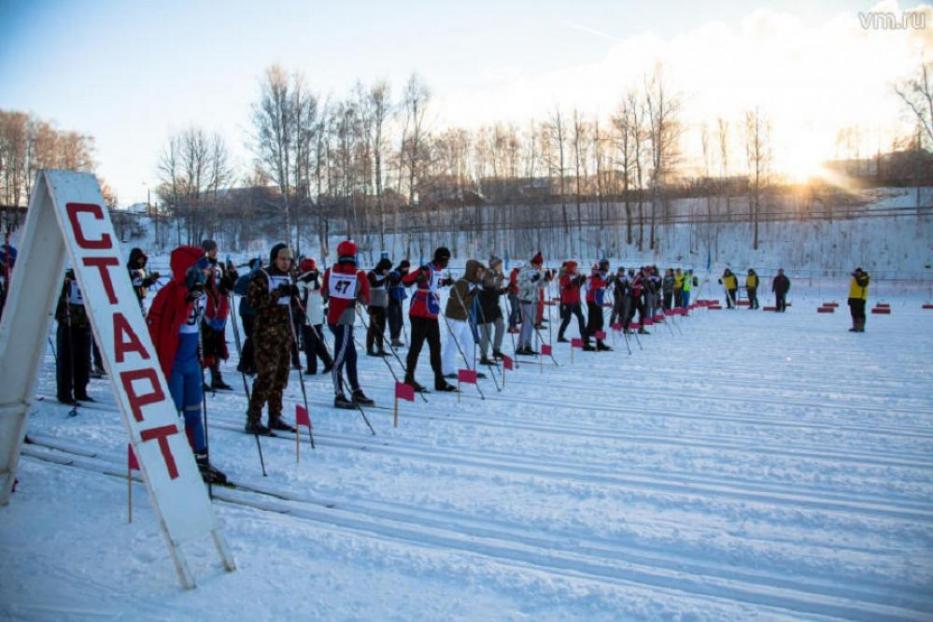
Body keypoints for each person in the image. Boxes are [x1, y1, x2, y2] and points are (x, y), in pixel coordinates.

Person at [146, 245, 226, 484]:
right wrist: (186, 296)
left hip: (192, 362)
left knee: (194, 412)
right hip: (173, 364)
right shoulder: (168, 293)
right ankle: (166, 460)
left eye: (205, 268)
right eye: (199, 268)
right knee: (173, 413)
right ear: (185, 270)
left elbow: (216, 322)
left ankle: (199, 458)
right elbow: (157, 329)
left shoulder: (202, 291)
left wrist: (222, 295)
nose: (205, 273)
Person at [244, 243, 299, 435]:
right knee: (266, 376)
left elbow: (289, 305)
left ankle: (275, 416)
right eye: (282, 259)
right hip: (266, 335)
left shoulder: (289, 276)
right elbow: (254, 302)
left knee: (281, 377)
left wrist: (295, 296)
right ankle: (253, 418)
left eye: (288, 259)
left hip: (284, 334)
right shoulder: (262, 275)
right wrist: (277, 294)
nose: (286, 263)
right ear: (274, 258)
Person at [323, 240, 374, 408]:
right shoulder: (359, 274)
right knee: (340, 359)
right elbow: (366, 299)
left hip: (332, 318)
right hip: (345, 320)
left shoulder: (330, 271)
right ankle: (339, 395)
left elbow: (324, 293)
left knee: (351, 355)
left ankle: (356, 390)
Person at [401, 247, 456, 393]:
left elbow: (434, 283)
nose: (447, 263)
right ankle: (409, 379)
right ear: (442, 259)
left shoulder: (437, 269)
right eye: (447, 260)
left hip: (431, 313)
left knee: (436, 347)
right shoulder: (426, 268)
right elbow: (406, 281)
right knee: (416, 347)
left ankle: (439, 381)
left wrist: (445, 282)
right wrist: (418, 278)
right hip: (419, 313)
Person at [442, 259, 486, 378]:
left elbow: (466, 302)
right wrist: (471, 296)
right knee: (453, 342)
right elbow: (457, 302)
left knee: (470, 342)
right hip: (454, 317)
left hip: (463, 317)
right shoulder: (462, 283)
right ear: (472, 271)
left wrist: (472, 294)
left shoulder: (471, 283)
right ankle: (447, 369)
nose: (480, 275)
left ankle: (471, 369)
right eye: (479, 272)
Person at [55, 270, 92, 404]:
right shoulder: (67, 282)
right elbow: (55, 302)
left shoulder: (90, 281)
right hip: (68, 326)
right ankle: (64, 393)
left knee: (83, 361)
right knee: (67, 361)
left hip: (84, 325)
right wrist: (62, 317)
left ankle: (80, 391)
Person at [296, 258, 333, 375]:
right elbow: (326, 296)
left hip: (307, 316)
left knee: (309, 344)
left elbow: (299, 300)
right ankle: (328, 362)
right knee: (317, 341)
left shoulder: (301, 282)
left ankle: (312, 368)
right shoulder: (320, 279)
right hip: (319, 314)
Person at [516, 252, 548, 355]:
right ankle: (520, 346)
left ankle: (528, 345)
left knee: (531, 324)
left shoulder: (536, 271)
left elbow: (539, 286)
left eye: (541, 265)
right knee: (526, 324)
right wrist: (534, 280)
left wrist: (546, 279)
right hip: (526, 299)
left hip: (534, 300)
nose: (540, 266)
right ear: (535, 263)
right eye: (539, 264)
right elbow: (521, 285)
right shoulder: (525, 270)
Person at [234, 258, 261, 375]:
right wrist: (249, 291)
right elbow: (237, 290)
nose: (258, 267)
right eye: (256, 265)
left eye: (259, 265)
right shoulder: (246, 278)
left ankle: (249, 363)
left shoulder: (262, 278)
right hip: (247, 312)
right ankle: (246, 364)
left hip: (257, 311)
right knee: (252, 337)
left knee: (255, 338)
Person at [478, 255, 507, 364]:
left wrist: (504, 288)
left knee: (500, 325)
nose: (501, 266)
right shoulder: (487, 273)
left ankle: (496, 350)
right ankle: (483, 356)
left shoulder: (496, 274)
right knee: (487, 331)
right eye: (499, 264)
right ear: (494, 265)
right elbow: (489, 287)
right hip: (485, 305)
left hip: (494, 306)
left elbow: (496, 290)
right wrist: (499, 282)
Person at [366, 257, 393, 356]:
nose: (388, 271)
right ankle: (369, 348)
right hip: (373, 304)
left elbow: (387, 287)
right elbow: (374, 284)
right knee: (373, 327)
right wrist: (386, 278)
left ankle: (380, 348)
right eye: (387, 269)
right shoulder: (372, 274)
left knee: (382, 327)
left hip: (382, 304)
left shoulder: (384, 275)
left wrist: (389, 279)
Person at [583, 260, 612, 351]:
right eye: (606, 266)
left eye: (608, 266)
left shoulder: (603, 274)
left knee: (600, 322)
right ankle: (585, 343)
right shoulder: (596, 275)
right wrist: (605, 283)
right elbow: (594, 285)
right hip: (592, 301)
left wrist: (608, 283)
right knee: (592, 323)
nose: (607, 268)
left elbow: (603, 286)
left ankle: (599, 343)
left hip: (598, 301)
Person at [557, 260, 587, 343]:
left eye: (576, 267)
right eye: (574, 267)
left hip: (576, 301)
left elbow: (577, 287)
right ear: (570, 267)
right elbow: (566, 286)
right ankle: (560, 336)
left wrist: (582, 281)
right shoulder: (565, 276)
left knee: (581, 318)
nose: (575, 268)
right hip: (568, 301)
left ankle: (584, 337)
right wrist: (575, 281)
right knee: (567, 319)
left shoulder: (575, 275)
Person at [386, 259, 410, 348]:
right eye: (406, 267)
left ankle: (397, 338)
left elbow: (406, 284)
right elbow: (393, 283)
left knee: (400, 321)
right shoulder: (395, 273)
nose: (407, 269)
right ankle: (394, 339)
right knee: (394, 320)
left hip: (399, 299)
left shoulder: (404, 274)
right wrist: (402, 278)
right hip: (393, 300)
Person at [847, 267, 870, 333]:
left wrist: (857, 276)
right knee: (854, 313)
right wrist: (849, 298)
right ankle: (856, 327)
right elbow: (853, 290)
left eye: (858, 272)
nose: (856, 273)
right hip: (854, 298)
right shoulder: (855, 278)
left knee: (859, 313)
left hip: (859, 298)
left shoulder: (864, 278)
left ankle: (860, 327)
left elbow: (861, 284)